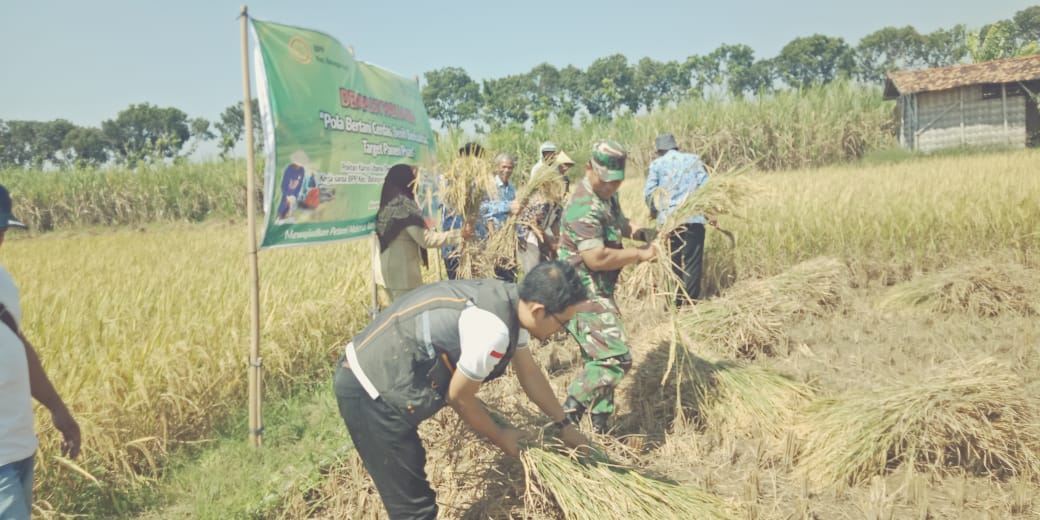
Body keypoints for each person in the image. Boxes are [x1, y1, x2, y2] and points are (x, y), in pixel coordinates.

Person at [333, 260, 591, 520]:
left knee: (413, 475)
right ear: (539, 310)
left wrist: (564, 425)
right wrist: (500, 436)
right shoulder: (493, 330)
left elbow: (529, 373)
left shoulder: (513, 302)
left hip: (383, 373)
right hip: (369, 389)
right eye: (563, 321)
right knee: (413, 510)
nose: (562, 330)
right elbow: (458, 397)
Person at [556, 141, 658, 434]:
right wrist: (640, 254)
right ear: (589, 169)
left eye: (616, 182)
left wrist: (637, 232)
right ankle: (564, 420)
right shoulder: (582, 206)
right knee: (616, 358)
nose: (611, 188)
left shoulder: (606, 194)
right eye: (605, 181)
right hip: (580, 292)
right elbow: (596, 258)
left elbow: (618, 222)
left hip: (599, 289)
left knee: (599, 359)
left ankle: (601, 428)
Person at [0, 184, 81, 519]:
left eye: (2, 230)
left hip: (19, 447)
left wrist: (58, 408)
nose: (1, 239)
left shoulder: (3, 281)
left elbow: (18, 344)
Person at [376, 164, 469, 302]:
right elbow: (426, 240)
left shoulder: (389, 203)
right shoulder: (403, 207)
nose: (418, 183)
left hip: (386, 274)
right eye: (414, 179)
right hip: (402, 277)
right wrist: (460, 234)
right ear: (405, 180)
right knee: (407, 318)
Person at [643, 133, 713, 304]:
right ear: (675, 146)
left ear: (659, 150)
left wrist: (655, 212)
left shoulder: (657, 164)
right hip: (693, 218)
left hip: (669, 223)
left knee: (672, 263)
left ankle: (675, 303)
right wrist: (710, 213)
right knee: (692, 262)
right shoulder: (693, 160)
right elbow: (707, 188)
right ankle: (690, 304)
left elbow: (649, 193)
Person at [517, 151, 576, 274]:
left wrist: (559, 242)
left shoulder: (558, 205)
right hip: (527, 234)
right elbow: (533, 224)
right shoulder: (542, 202)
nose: (563, 195)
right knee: (534, 266)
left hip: (540, 232)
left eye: (565, 192)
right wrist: (550, 243)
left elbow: (555, 225)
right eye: (561, 191)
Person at [441, 143, 485, 280]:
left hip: (475, 248)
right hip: (454, 248)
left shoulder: (480, 184)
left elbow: (487, 208)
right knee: (458, 291)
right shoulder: (449, 181)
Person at [478, 153, 521, 283]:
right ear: (497, 168)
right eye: (504, 167)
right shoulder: (489, 186)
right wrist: (509, 206)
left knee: (509, 275)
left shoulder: (511, 188)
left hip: (508, 238)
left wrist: (520, 234)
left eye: (510, 167)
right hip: (492, 238)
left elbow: (514, 214)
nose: (506, 170)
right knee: (495, 276)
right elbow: (484, 208)